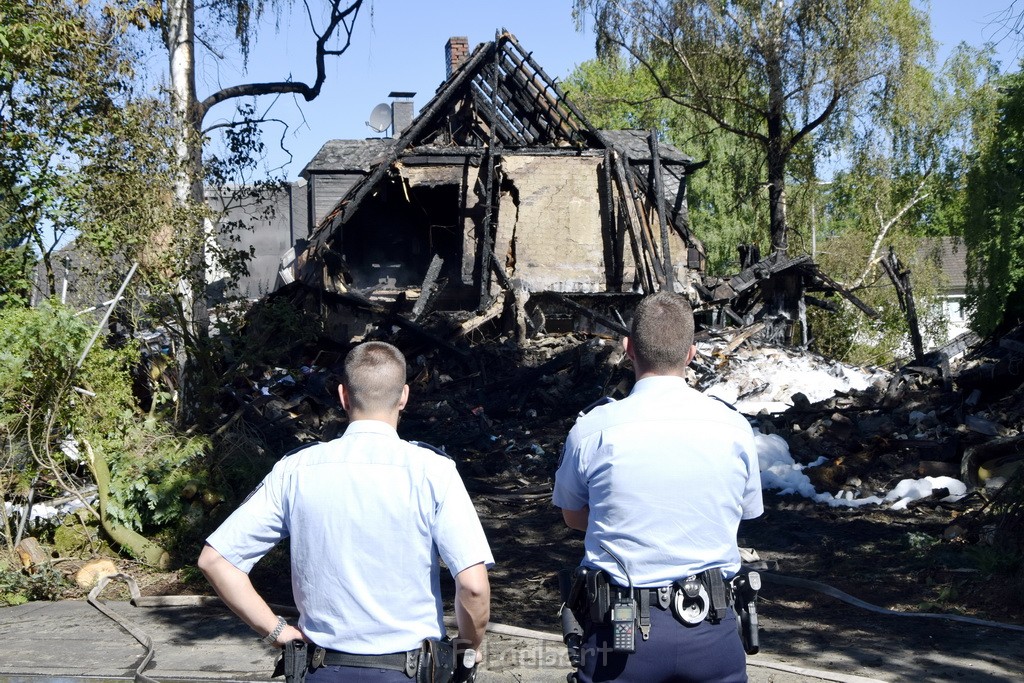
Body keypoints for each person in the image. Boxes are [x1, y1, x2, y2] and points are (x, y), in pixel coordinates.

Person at [199, 341, 493, 682]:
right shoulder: (434, 471)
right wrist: (465, 650)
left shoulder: (297, 469)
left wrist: (278, 631)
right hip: (412, 671)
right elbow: (473, 586)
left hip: (321, 669)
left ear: (342, 396)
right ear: (404, 397)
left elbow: (215, 560)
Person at [553, 291, 763, 683]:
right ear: (691, 353)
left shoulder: (592, 429)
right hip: (712, 629)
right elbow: (741, 514)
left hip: (621, 637)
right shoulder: (734, 428)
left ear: (628, 348)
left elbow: (573, 515)